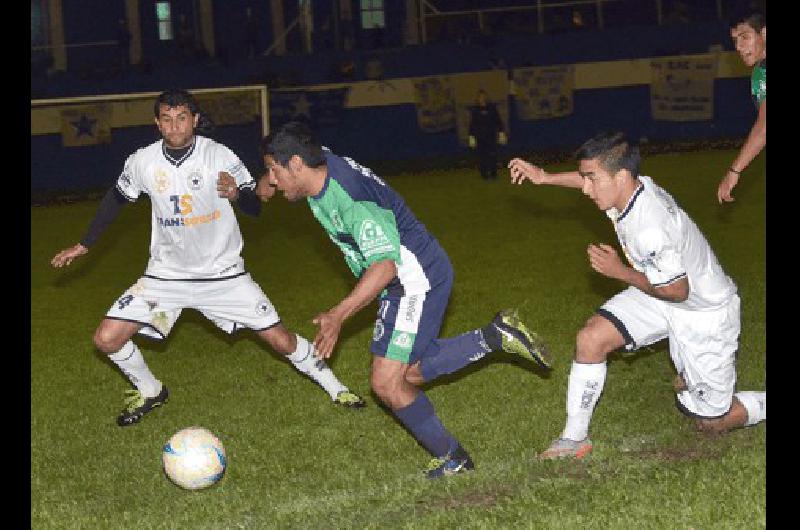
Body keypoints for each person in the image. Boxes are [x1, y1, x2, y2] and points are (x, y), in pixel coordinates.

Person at [50, 90, 365, 427]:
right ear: (157, 123)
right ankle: (151, 389)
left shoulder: (219, 156)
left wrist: (236, 194)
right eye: (167, 119)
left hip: (223, 274)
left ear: (195, 120)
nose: (174, 126)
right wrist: (85, 244)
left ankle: (337, 388)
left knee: (280, 339)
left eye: (182, 118)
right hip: (166, 276)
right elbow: (116, 199)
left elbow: (255, 206)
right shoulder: (142, 161)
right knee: (106, 339)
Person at [257, 121, 552, 478]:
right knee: (409, 371)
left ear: (297, 165)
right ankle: (495, 336)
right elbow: (288, 167)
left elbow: (384, 266)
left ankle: (454, 457)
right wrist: (266, 182)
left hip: (412, 279)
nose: (272, 179)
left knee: (386, 381)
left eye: (274, 170)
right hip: (414, 272)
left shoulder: (350, 198)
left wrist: (338, 315)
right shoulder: (319, 166)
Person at [508, 132, 766, 459]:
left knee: (712, 423)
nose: (586, 188)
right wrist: (544, 178)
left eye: (592, 180)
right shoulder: (628, 189)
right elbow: (596, 174)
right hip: (660, 292)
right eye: (585, 178)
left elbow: (677, 290)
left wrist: (620, 273)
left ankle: (700, 381)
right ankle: (574, 439)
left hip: (703, 311)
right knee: (591, 339)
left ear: (621, 177)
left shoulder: (649, 226)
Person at [717, 8, 765, 204]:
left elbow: (763, 128)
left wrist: (734, 171)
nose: (738, 46)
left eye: (745, 37)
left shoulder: (763, 72)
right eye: (735, 40)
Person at [468, 90, 506, 181]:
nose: (482, 99)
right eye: (480, 97)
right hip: (480, 137)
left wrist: (501, 132)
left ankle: (494, 173)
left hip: (491, 136)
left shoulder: (492, 108)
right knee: (482, 156)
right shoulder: (475, 110)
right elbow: (473, 124)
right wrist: (471, 136)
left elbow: (498, 121)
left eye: (483, 96)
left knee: (492, 155)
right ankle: (484, 174)